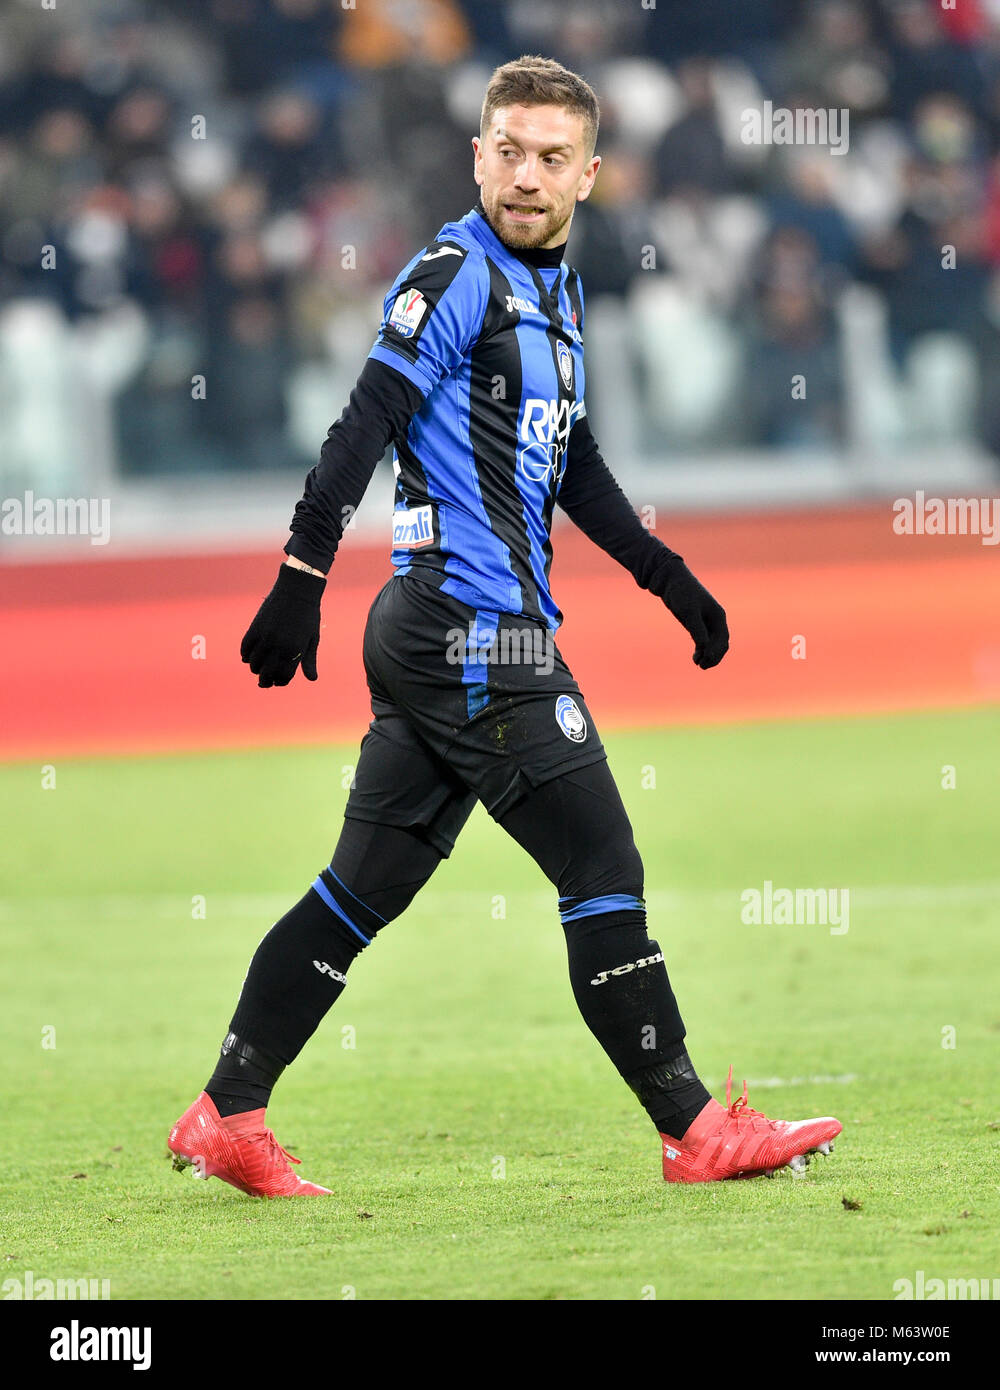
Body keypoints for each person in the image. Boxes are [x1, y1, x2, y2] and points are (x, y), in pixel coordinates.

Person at [168, 55, 841, 1197]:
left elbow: (570, 461)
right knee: (601, 856)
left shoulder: (561, 297)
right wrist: (299, 571)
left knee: (358, 890)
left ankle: (227, 1109)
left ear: (589, 174)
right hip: (471, 629)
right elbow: (363, 422)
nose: (525, 176)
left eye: (549, 158)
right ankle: (692, 1128)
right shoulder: (452, 273)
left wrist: (667, 579)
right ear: (477, 156)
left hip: (452, 628)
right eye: (507, 152)